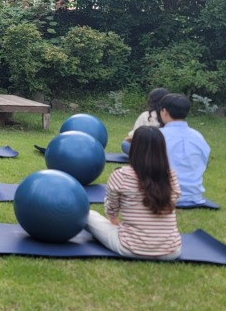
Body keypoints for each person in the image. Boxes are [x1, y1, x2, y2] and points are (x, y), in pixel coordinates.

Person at [85, 126, 182, 260]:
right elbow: (173, 200)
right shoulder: (170, 176)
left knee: (88, 215)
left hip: (130, 248)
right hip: (171, 251)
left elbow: (112, 208)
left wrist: (113, 221)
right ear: (161, 149)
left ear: (134, 148)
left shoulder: (121, 175)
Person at [158, 93, 211, 206]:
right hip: (194, 195)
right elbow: (205, 163)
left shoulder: (158, 136)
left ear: (164, 112)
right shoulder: (198, 137)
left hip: (163, 195)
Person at [121, 87, 168, 154]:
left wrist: (127, 139)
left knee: (125, 144)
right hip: (164, 151)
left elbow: (134, 136)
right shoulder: (170, 116)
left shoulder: (145, 115)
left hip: (146, 150)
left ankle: (142, 158)